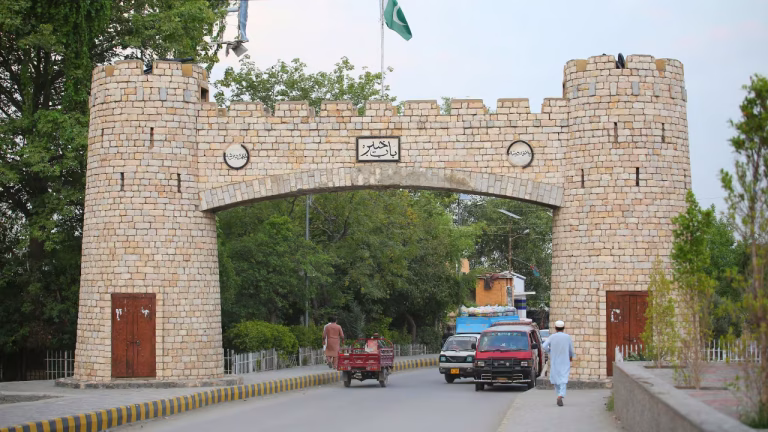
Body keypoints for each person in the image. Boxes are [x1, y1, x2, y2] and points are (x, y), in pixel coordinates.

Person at [542, 320, 574, 406]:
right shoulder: (567, 337)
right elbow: (571, 349)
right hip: (565, 361)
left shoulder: (552, 337)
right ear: (563, 328)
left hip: (555, 361)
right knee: (563, 378)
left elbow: (544, 346)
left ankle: (559, 394)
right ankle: (560, 395)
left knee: (556, 379)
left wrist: (550, 351)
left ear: (555, 328)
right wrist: (570, 357)